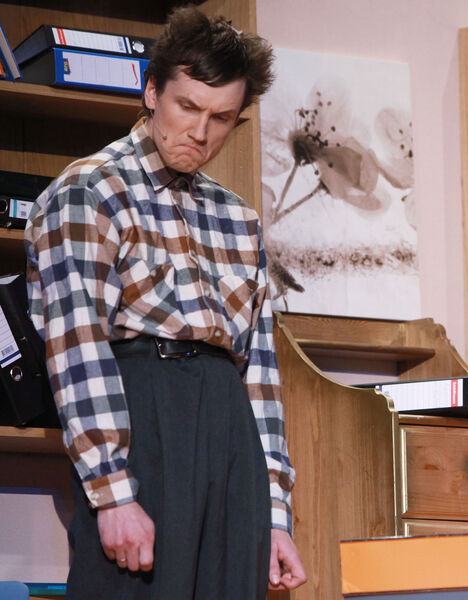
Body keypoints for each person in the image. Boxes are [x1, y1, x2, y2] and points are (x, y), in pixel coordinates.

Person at [24, 7, 306, 598]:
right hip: (141, 417)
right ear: (151, 92)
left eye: (221, 117)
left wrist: (275, 513)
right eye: (188, 107)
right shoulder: (89, 191)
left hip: (229, 429)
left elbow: (259, 373)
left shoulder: (239, 218)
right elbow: (77, 349)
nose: (200, 132)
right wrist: (112, 492)